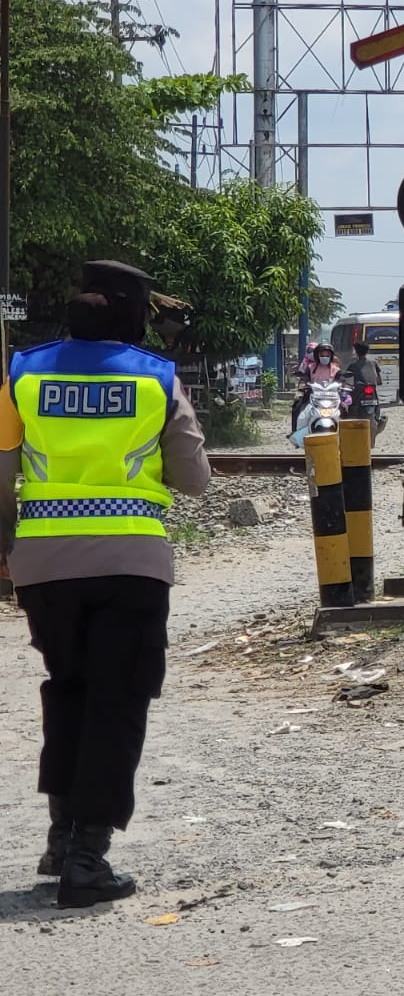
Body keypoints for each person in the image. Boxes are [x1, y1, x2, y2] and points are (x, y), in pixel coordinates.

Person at [0, 260, 211, 908]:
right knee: (117, 703)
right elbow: (194, 480)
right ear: (133, 313)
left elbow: (2, 470)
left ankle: (62, 836)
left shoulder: (24, 373)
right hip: (131, 565)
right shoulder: (156, 379)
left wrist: (6, 551)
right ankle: (87, 861)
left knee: (69, 690)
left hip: (41, 566)